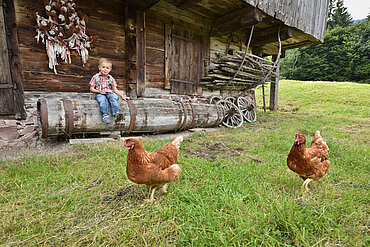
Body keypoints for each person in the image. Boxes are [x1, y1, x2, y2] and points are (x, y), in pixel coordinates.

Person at [89, 58, 128, 124]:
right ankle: (105, 115)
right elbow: (91, 89)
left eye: (107, 68)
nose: (105, 69)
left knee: (114, 97)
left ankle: (116, 114)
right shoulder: (96, 77)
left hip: (108, 92)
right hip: (99, 93)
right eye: (103, 67)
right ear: (99, 67)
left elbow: (115, 89)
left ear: (110, 69)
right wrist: (99, 92)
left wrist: (122, 96)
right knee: (103, 100)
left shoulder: (111, 78)